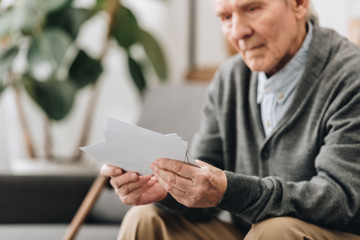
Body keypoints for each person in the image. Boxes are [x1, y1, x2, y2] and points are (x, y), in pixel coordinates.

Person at [101, 0, 360, 239]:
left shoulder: (351, 76)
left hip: (334, 233)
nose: (237, 32)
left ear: (298, 4)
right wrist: (169, 190)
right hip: (250, 234)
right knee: (146, 218)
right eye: (225, 17)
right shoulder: (230, 78)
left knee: (276, 231)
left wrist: (229, 190)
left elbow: (340, 199)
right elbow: (204, 195)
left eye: (252, 9)